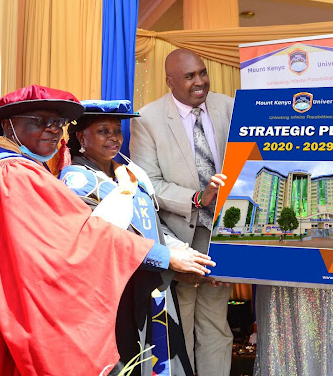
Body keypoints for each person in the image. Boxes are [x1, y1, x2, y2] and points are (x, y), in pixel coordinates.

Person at [0, 85, 215, 375]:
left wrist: (178, 255)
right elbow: (78, 237)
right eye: (40, 121)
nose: (53, 130)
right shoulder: (11, 175)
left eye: (58, 123)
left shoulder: (1, 169)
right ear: (8, 125)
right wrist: (163, 257)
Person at [61, 100, 222, 376]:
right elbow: (110, 240)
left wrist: (190, 260)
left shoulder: (129, 172)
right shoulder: (77, 182)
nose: (113, 138)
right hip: (113, 297)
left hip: (152, 290)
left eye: (117, 130)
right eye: (103, 131)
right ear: (81, 137)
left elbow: (153, 227)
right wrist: (171, 259)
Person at [130, 49, 235, 376]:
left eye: (202, 73)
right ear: (170, 81)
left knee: (217, 325)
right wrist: (197, 197)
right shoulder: (148, 119)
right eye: (190, 76)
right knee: (180, 326)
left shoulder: (230, 107)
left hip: (225, 235)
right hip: (179, 240)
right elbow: (149, 185)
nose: (200, 81)